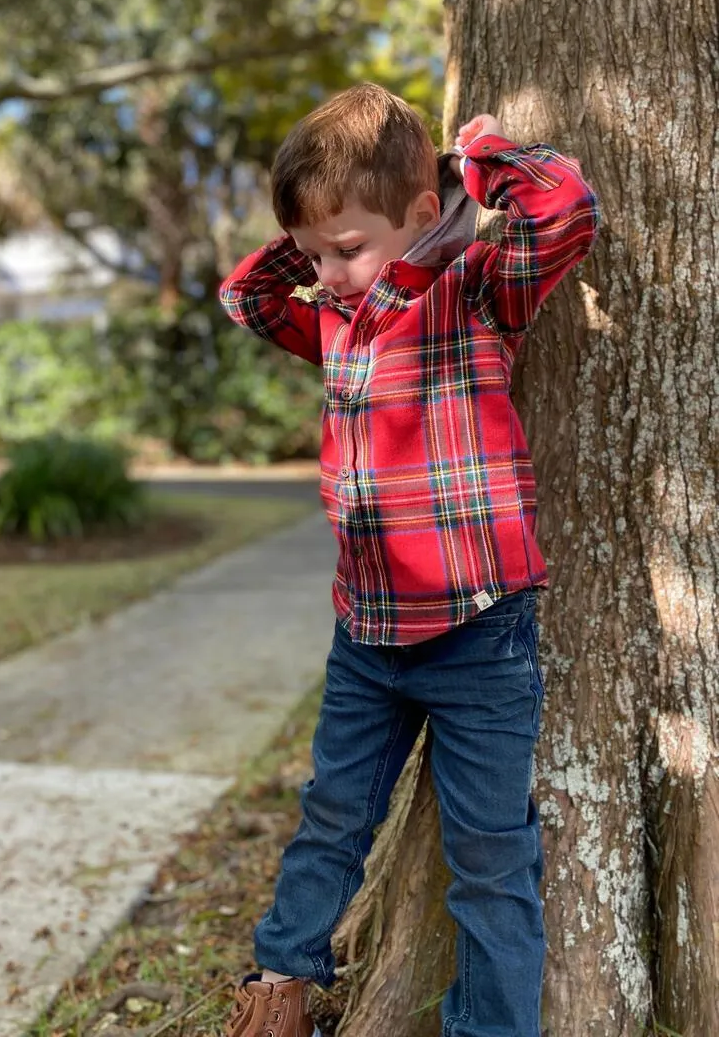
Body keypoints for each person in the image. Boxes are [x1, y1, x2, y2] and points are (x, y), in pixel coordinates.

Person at [217, 83, 600, 1037]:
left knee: (490, 860)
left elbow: (566, 209)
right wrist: (310, 234)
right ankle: (280, 987)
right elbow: (246, 297)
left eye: (349, 248)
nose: (332, 274)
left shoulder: (472, 291)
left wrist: (471, 160)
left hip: (479, 632)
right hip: (368, 637)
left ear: (423, 217)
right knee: (332, 817)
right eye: (318, 256)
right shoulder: (338, 320)